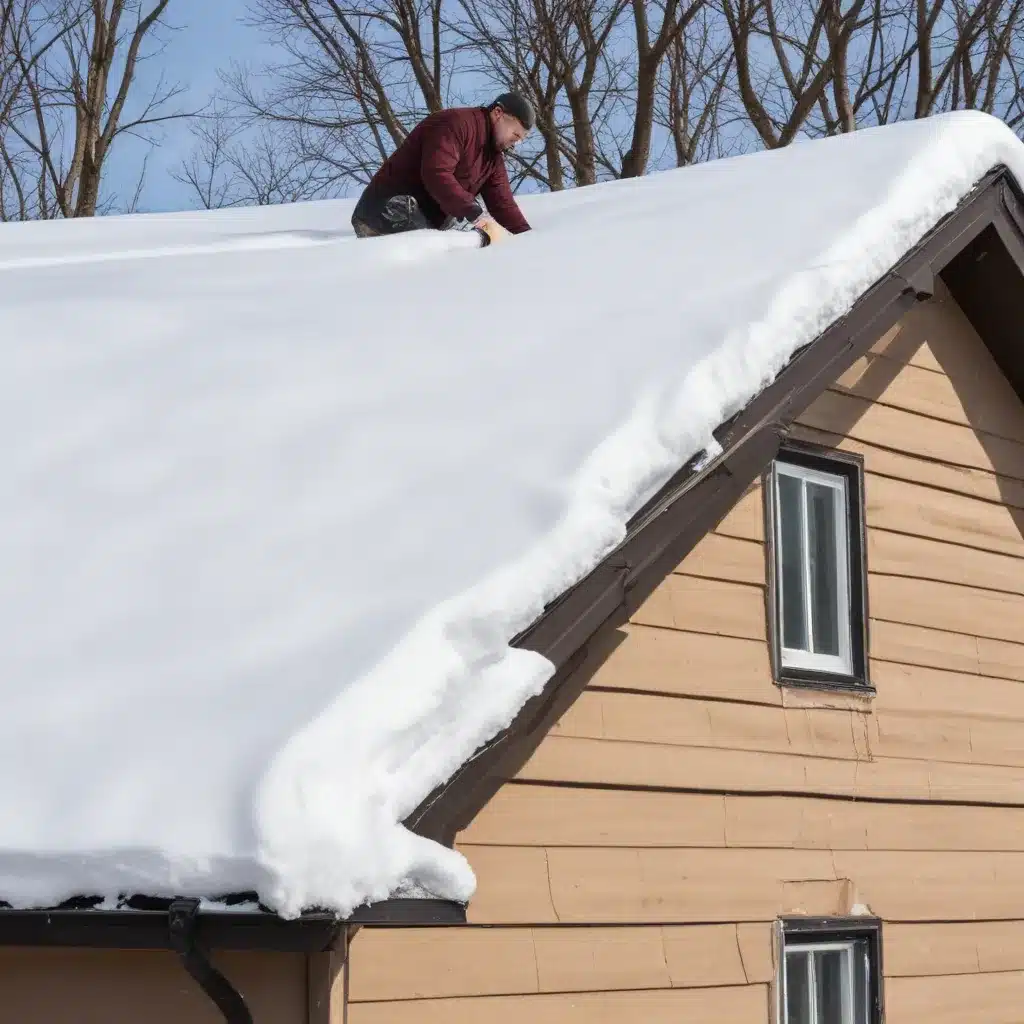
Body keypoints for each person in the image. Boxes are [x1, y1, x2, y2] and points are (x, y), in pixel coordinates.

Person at [351, 92, 534, 246]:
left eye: (521, 138)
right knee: (446, 254)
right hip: (389, 208)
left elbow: (503, 205)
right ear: (498, 113)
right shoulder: (457, 124)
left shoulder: (493, 159)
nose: (516, 142)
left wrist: (529, 240)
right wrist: (474, 212)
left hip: (424, 221)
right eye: (515, 134)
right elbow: (436, 173)